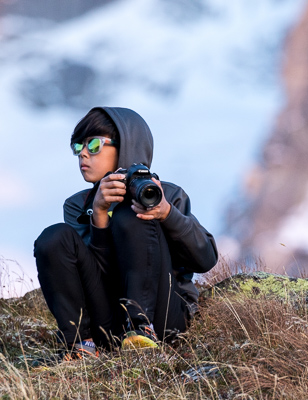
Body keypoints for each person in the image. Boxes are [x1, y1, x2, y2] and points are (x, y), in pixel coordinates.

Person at [34, 107, 218, 357]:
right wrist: (98, 214)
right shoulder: (79, 206)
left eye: (94, 145)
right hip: (107, 323)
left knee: (131, 213)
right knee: (53, 238)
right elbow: (96, 278)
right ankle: (80, 345)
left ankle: (142, 328)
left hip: (164, 318)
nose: (83, 154)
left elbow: (205, 258)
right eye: (78, 147)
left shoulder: (168, 195)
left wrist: (165, 213)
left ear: (127, 146)